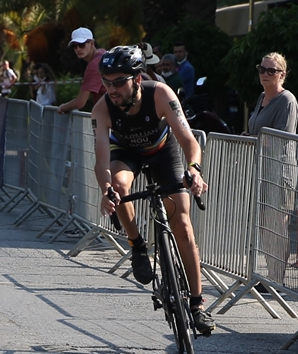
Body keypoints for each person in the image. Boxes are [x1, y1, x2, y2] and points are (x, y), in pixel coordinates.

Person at [92, 45, 215, 336]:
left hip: (163, 152)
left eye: (119, 81)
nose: (112, 88)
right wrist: (106, 189)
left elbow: (189, 141)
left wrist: (194, 170)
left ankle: (197, 305)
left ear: (136, 79)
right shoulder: (101, 109)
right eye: (106, 82)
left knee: (183, 225)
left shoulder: (160, 94)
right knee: (120, 187)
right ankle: (137, 245)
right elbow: (100, 162)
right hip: (126, 152)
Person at [247, 52, 298, 278]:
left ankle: (277, 279)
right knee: (265, 226)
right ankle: (271, 276)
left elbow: (281, 138)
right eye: (262, 69)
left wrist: (256, 140)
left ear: (282, 75)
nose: (265, 74)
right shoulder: (261, 97)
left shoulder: (287, 100)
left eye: (271, 71)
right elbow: (257, 130)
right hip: (262, 170)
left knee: (277, 225)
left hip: (280, 172)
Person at [56, 27, 105, 114]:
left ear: (92, 43)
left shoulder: (94, 66)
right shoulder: (103, 54)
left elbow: (80, 102)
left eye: (82, 45)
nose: (78, 49)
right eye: (74, 46)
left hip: (111, 116)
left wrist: (63, 107)